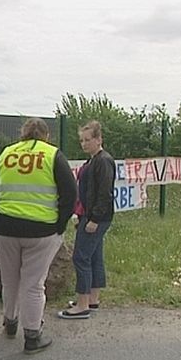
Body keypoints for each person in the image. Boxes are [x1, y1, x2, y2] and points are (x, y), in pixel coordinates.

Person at [0, 117, 77, 354]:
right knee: (34, 285)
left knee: (10, 280)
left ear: (22, 135)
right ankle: (32, 335)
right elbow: (71, 193)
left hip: (6, 226)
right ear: (46, 136)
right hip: (41, 230)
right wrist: (60, 224)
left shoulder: (7, 153)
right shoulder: (53, 155)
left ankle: (10, 322)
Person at [57, 120, 116, 320]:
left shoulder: (103, 161)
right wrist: (82, 216)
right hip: (88, 215)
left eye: (88, 140)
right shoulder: (92, 160)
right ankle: (92, 298)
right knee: (94, 256)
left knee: (80, 257)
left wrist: (94, 219)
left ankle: (82, 304)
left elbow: (104, 193)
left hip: (96, 217)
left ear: (99, 139)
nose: (84, 144)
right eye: (81, 140)